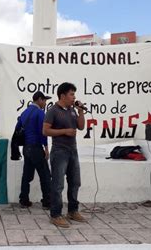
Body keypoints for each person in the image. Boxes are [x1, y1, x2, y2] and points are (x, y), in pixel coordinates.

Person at [43, 82, 86, 228]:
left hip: (73, 150)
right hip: (59, 151)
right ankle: (55, 215)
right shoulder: (53, 111)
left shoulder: (72, 110)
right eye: (71, 94)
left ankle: (72, 211)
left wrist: (80, 112)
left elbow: (81, 126)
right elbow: (46, 131)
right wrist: (65, 131)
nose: (74, 97)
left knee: (75, 182)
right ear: (62, 95)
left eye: (74, 94)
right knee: (58, 185)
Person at [17, 91, 52, 209]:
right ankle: (47, 202)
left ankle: (24, 200)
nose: (45, 103)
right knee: (45, 175)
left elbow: (17, 129)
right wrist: (46, 149)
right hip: (36, 148)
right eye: (45, 100)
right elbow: (43, 132)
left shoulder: (24, 113)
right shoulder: (40, 113)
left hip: (26, 148)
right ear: (40, 99)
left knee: (26, 175)